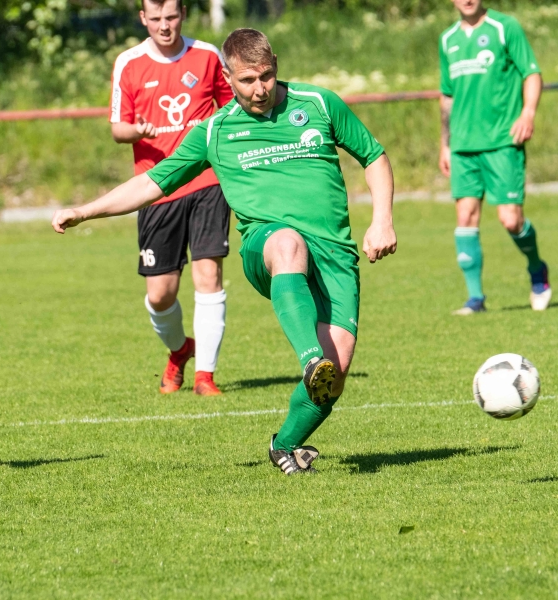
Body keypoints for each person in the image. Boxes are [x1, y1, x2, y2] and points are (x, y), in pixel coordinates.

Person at [54, 28, 396, 475]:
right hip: (267, 246)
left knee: (336, 375)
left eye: (266, 76)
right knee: (288, 244)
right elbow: (151, 183)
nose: (260, 89)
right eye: (248, 80)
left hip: (334, 253)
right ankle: (310, 358)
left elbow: (373, 156)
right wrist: (85, 211)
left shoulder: (319, 103)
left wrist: (382, 220)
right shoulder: (215, 131)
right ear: (229, 79)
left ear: (276, 65)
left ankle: (285, 445)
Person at [109, 0, 234, 396]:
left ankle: (205, 377)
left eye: (172, 17)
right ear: (143, 18)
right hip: (156, 188)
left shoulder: (208, 56)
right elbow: (117, 128)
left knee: (209, 275)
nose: (164, 26)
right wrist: (138, 131)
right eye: (156, 19)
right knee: (160, 295)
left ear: (183, 15)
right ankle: (180, 350)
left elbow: (232, 110)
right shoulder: (129, 63)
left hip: (207, 182)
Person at [439, 0, 548, 314]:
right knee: (465, 218)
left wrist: (528, 113)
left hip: (502, 141)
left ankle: (537, 268)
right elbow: (447, 95)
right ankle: (476, 299)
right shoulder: (447, 39)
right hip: (463, 145)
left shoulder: (504, 27)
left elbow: (532, 73)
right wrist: (445, 144)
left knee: (511, 220)